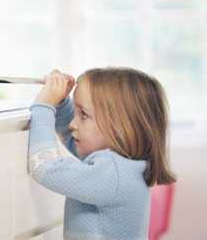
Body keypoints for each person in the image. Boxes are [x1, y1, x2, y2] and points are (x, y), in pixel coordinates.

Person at [28, 67, 176, 240]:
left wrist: (44, 107)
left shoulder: (113, 175)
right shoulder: (123, 168)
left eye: (83, 114)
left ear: (120, 126)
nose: (72, 124)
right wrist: (61, 104)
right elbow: (75, 138)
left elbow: (45, 167)